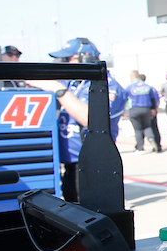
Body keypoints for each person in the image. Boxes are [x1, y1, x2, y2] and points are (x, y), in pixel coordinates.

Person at [25, 38, 124, 203]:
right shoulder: (73, 83)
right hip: (68, 166)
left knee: (87, 212)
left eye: (69, 59)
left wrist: (58, 90)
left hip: (91, 166)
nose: (65, 64)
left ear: (87, 57)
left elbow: (90, 118)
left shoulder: (108, 86)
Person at [124, 71, 162, 154]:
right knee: (147, 126)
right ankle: (151, 139)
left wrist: (123, 110)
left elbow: (124, 98)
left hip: (134, 109)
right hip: (146, 108)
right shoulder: (148, 87)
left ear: (131, 77)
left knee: (138, 129)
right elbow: (154, 98)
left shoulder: (129, 87)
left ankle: (140, 147)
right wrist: (153, 109)